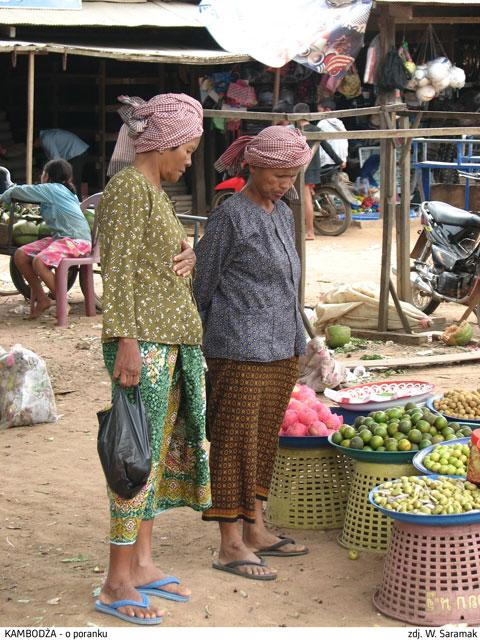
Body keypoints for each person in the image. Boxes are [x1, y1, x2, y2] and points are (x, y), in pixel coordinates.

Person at [95, 93, 211, 625]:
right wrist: (126, 340)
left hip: (166, 340)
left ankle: (140, 565)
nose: (189, 159)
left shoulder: (153, 191)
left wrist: (187, 256)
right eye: (186, 149)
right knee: (131, 459)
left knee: (153, 456)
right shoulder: (127, 189)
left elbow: (151, 260)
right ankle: (116, 581)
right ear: (162, 143)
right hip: (142, 343)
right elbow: (115, 269)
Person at [194, 126, 311, 582]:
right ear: (254, 165)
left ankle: (257, 528)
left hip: (282, 346)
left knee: (264, 439)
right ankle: (229, 544)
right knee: (231, 443)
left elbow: (289, 283)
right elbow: (201, 286)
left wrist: (300, 338)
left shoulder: (283, 213)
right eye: (278, 175)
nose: (285, 184)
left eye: (292, 175)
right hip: (239, 349)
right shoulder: (229, 218)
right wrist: (205, 345)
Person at [0, 159, 91, 319]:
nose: (41, 175)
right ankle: (43, 299)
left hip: (76, 241)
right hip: (60, 238)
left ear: (48, 176)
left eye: (43, 173)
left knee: (39, 261)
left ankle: (63, 303)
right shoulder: (62, 190)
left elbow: (18, 192)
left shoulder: (52, 189)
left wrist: (5, 195)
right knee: (20, 255)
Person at [36, 129, 89, 196]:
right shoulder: (46, 135)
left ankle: (77, 201)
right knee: (71, 179)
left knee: (73, 180)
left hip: (77, 151)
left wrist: (49, 172)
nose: (34, 146)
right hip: (77, 150)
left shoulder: (46, 139)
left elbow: (56, 159)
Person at [316, 99, 348, 168]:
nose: (318, 114)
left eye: (319, 111)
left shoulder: (322, 123)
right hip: (340, 159)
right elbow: (345, 141)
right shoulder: (340, 123)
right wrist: (344, 159)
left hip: (328, 160)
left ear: (327, 110)